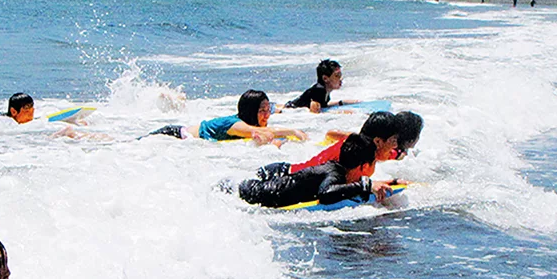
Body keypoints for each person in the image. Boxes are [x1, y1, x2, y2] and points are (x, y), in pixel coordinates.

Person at [236, 133, 393, 208]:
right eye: (374, 163)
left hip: (258, 188)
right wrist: (365, 185)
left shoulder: (340, 171)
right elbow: (326, 193)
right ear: (364, 166)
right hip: (250, 193)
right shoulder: (334, 172)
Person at [147, 89, 306, 144]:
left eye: (268, 110)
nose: (267, 115)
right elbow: (259, 132)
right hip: (174, 136)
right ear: (251, 111)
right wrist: (293, 132)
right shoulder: (235, 124)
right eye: (262, 111)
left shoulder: (247, 123)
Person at [285, 59, 357, 113]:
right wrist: (342, 112)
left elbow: (322, 106)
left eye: (340, 75)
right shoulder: (319, 91)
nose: (340, 79)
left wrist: (341, 102)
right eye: (337, 76)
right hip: (289, 111)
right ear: (325, 78)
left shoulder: (324, 91)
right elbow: (314, 113)